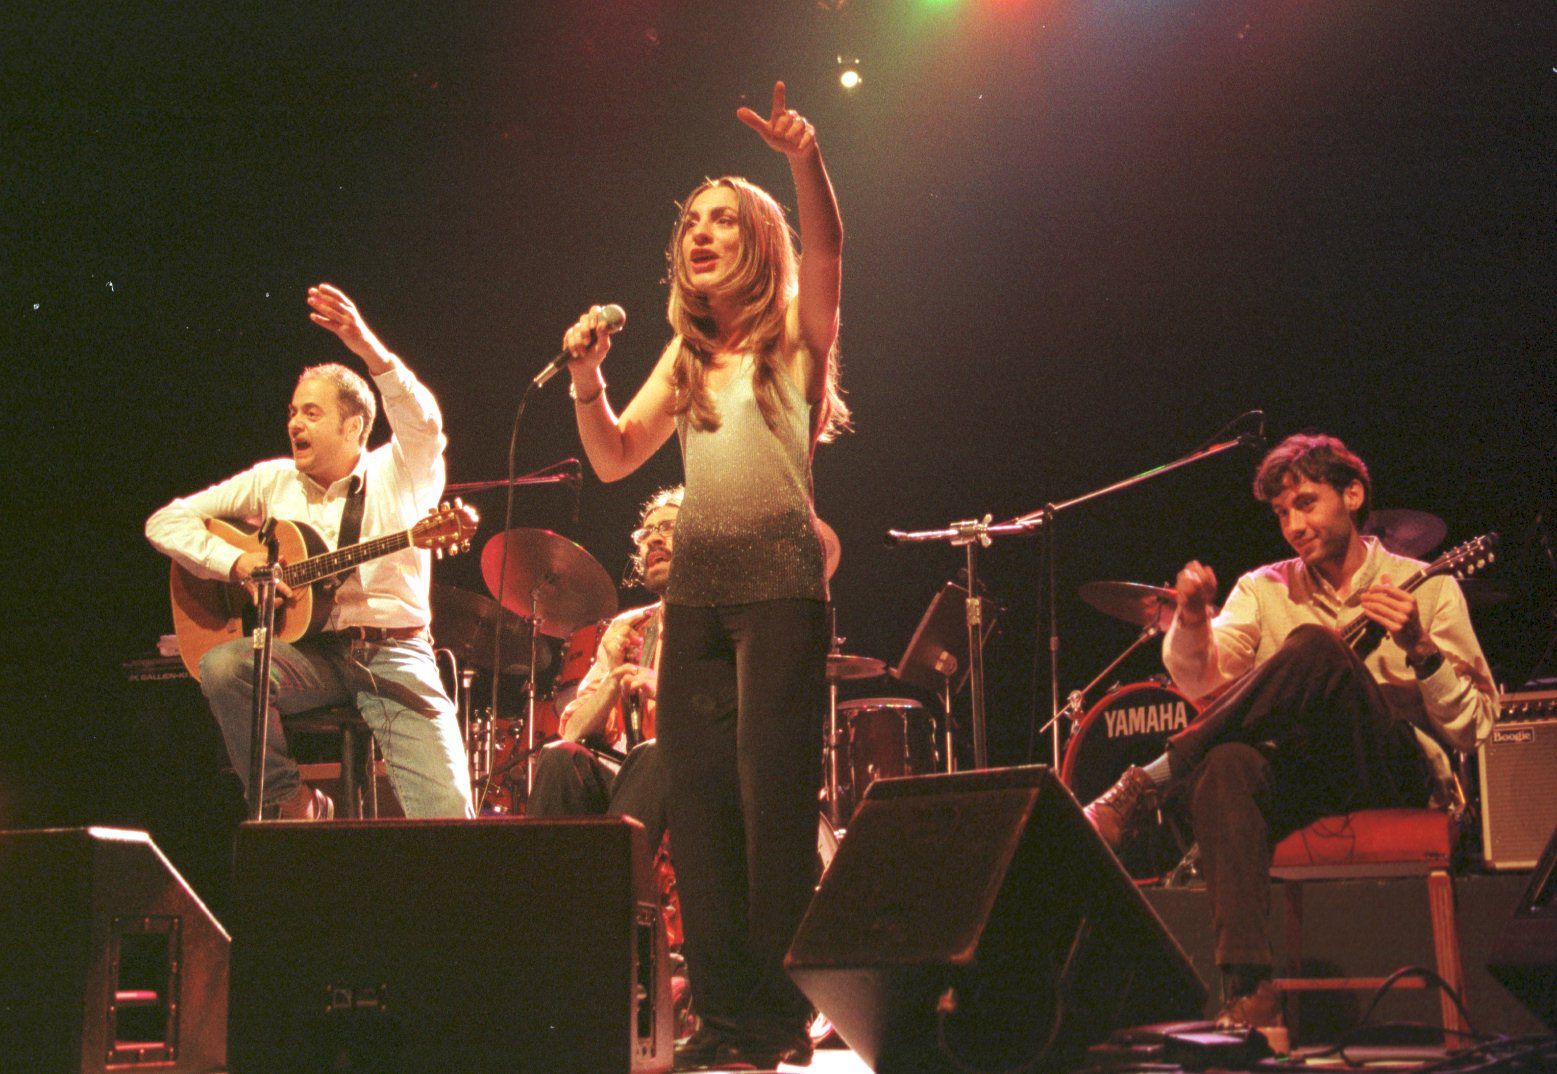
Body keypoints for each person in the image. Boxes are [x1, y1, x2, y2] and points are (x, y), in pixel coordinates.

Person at [559, 81, 847, 1071]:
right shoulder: (685, 356)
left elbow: (829, 253)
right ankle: (725, 1020)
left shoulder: (793, 337)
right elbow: (611, 456)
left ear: (758, 242)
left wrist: (803, 161)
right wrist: (588, 378)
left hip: (781, 598)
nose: (704, 233)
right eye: (693, 223)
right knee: (705, 817)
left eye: (726, 219)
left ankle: (775, 1022)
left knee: (773, 821)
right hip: (698, 604)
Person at [1083, 433, 1497, 1033]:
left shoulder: (1428, 585)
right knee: (1227, 763)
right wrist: (1194, 623)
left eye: (1306, 503)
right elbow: (1205, 685)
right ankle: (1250, 990)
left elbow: (1474, 730)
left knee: (1316, 648)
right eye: (1281, 514)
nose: (1294, 525)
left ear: (1352, 494)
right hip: (1304, 779)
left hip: (1387, 770)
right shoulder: (1262, 587)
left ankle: (1149, 784)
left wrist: (1422, 650)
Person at [146, 283, 474, 820]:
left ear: (354, 427)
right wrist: (239, 564)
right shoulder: (272, 479)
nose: (294, 423)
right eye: (293, 412)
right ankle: (289, 797)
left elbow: (425, 423)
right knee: (225, 665)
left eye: (312, 414)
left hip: (394, 653)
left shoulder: (403, 471)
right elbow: (166, 521)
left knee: (449, 815)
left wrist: (366, 344)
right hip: (312, 654)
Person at [525, 486, 681, 852]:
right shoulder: (630, 627)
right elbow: (574, 730)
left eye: (669, 527)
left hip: (694, 781)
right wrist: (613, 679)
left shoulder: (721, 618)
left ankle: (608, 890)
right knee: (559, 758)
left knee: (654, 755)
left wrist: (664, 688)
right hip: (632, 784)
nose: (654, 538)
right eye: (647, 532)